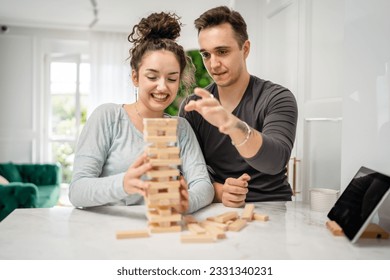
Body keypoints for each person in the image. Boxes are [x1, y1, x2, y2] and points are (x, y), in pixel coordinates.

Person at [69, 12, 214, 214]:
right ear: (135, 77)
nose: (162, 87)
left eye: (172, 79)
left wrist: (186, 201)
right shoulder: (108, 117)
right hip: (106, 233)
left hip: (161, 234)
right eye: (152, 76)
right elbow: (77, 191)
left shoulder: (181, 128)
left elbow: (203, 185)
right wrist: (124, 184)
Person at [179, 6, 298, 208]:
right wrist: (219, 191)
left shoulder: (277, 98)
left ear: (245, 49)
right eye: (206, 55)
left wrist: (231, 124)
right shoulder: (194, 107)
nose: (213, 64)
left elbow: (275, 161)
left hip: (272, 207)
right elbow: (184, 171)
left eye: (222, 52)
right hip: (215, 207)